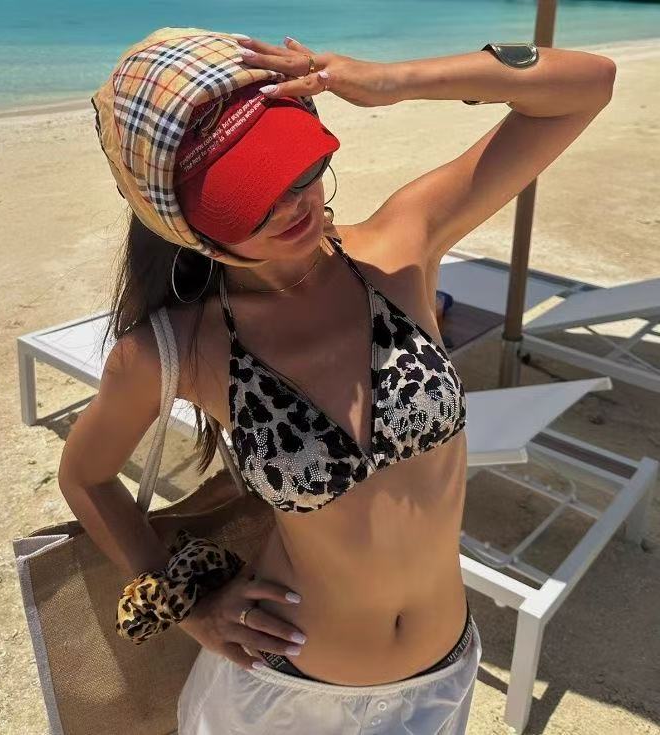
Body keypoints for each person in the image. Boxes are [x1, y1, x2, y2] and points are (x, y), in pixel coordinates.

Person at [59, 26, 615, 735]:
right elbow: (85, 477)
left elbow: (586, 85)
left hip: (443, 678)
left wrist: (391, 81)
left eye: (299, 171)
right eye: (249, 199)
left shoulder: (399, 246)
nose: (292, 206)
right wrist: (186, 603)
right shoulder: (174, 349)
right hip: (283, 696)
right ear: (184, 223)